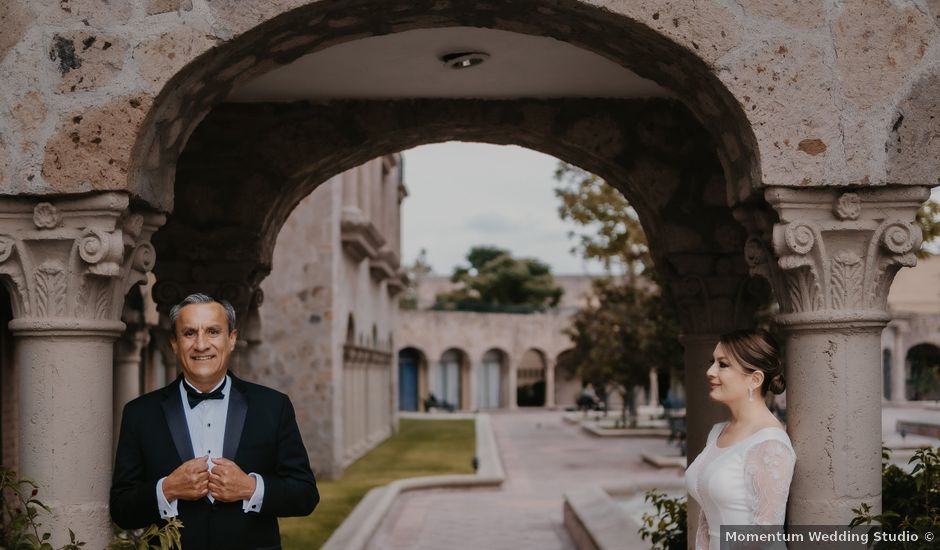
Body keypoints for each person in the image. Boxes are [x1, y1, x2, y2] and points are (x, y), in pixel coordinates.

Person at [111, 293, 319, 549]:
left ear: (231, 339)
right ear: (174, 344)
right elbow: (121, 508)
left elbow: (305, 495)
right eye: (189, 333)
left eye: (212, 331)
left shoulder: (273, 407)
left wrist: (251, 488)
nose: (201, 344)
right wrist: (167, 489)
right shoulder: (140, 414)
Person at [684, 329, 795, 550]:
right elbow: (706, 517)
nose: (710, 371)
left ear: (755, 379)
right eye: (712, 362)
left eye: (722, 364)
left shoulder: (770, 443)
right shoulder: (717, 432)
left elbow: (765, 536)